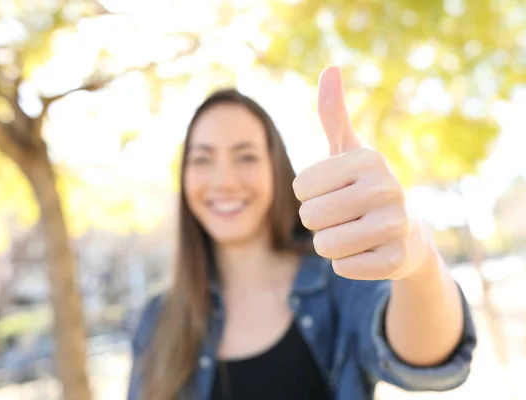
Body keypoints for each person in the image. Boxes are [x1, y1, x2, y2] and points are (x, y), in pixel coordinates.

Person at [127, 67, 477, 400]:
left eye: (246, 157)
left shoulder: (338, 279)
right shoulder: (156, 320)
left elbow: (430, 363)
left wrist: (419, 263)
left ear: (276, 168)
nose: (224, 181)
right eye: (202, 159)